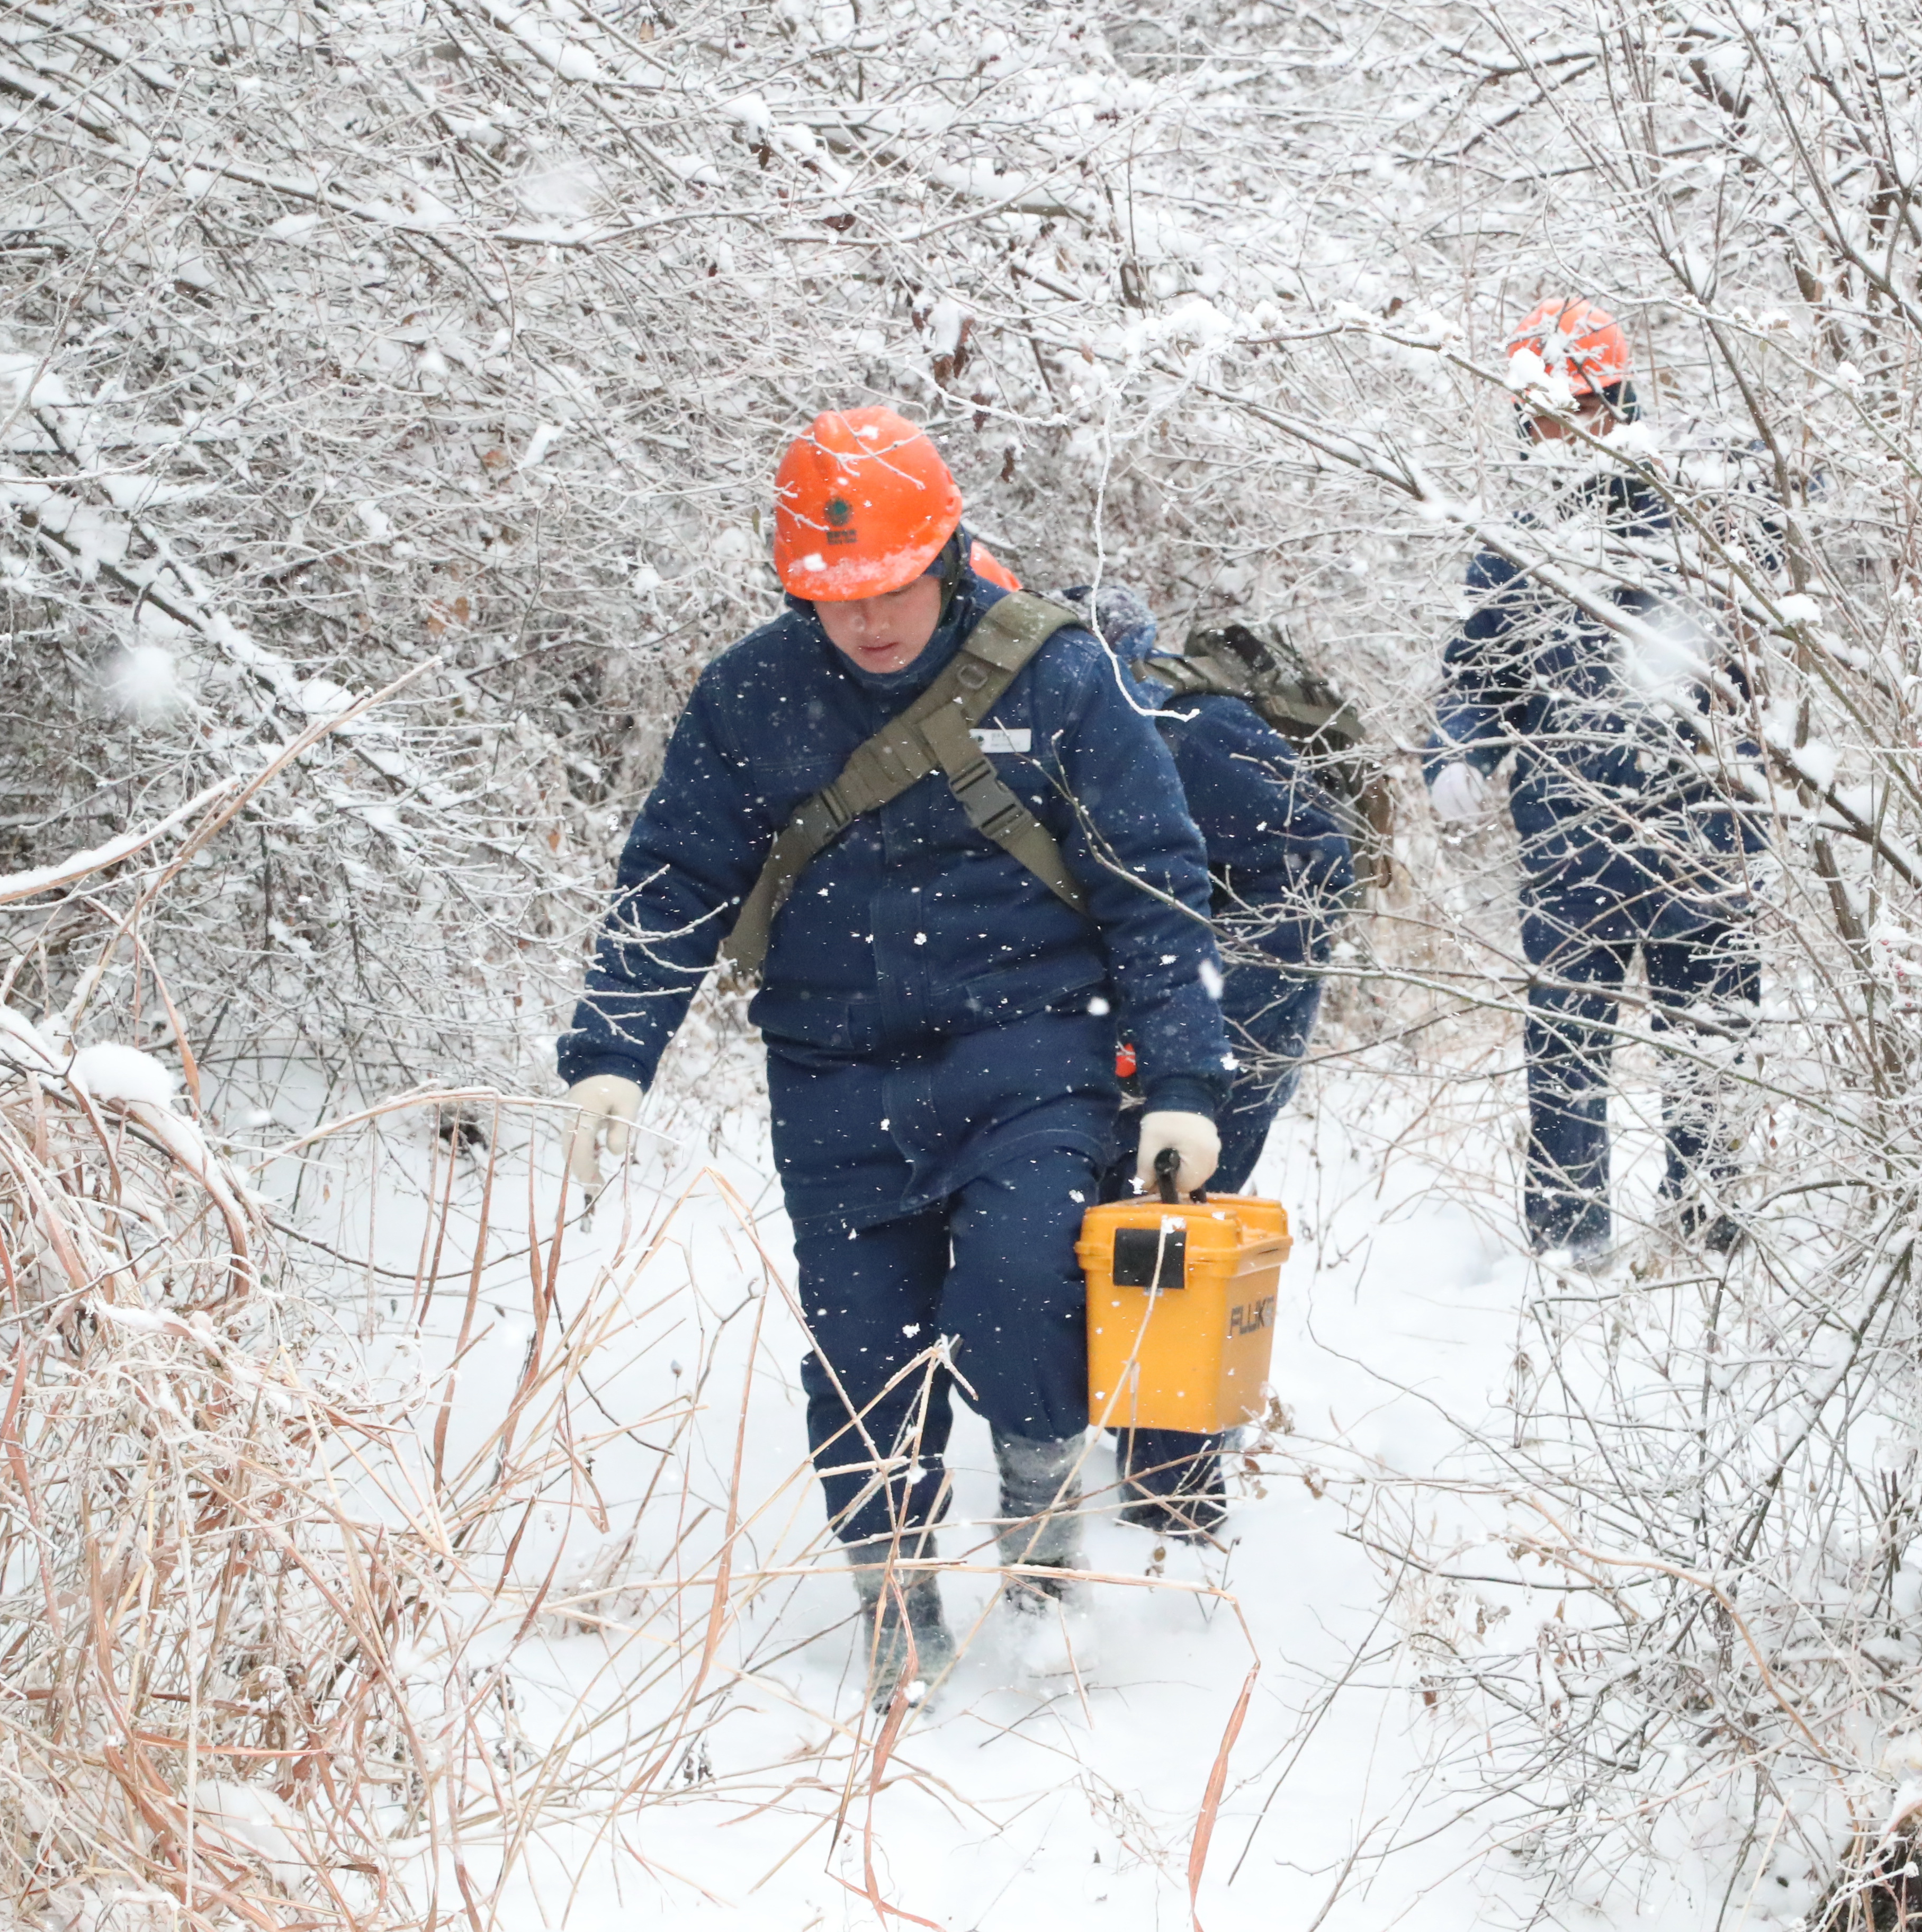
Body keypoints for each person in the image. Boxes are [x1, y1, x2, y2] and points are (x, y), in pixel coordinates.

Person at [555, 408, 1229, 1709]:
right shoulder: (750, 693)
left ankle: (1040, 1561)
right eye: (833, 595)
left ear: (948, 552)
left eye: (890, 587)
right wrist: (613, 1053)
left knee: (1029, 1295)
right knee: (864, 1352)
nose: (867, 621)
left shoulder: (1058, 677)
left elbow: (1154, 880)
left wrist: (1187, 1083)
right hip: (836, 1074)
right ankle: (895, 1601)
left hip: (1035, 1050)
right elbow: (676, 877)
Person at [1425, 300, 1764, 1266]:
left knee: (1712, 1050)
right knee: (1566, 1057)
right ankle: (1569, 1244)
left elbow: (1777, 617)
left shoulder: (1704, 510)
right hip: (1571, 843)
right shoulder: (1520, 538)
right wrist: (1459, 752)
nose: (1551, 435)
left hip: (1710, 834)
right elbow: (1480, 675)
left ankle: (1707, 1233)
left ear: (1612, 400)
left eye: (1565, 414)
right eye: (1536, 419)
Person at [1061, 581, 1354, 1540]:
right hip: (1155, 1020)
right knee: (1114, 1238)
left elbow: (1313, 872)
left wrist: (1212, 1012)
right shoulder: (1082, 732)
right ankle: (1125, 1465)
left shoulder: (1195, 731)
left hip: (1235, 1023)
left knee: (1170, 1243)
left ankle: (1172, 1512)